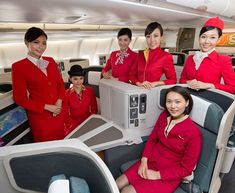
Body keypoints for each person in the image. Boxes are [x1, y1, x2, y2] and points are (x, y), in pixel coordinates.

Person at [116, 86, 202, 193]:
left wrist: (158, 175)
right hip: (150, 162)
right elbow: (152, 139)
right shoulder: (164, 116)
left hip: (168, 175)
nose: (173, 106)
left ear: (187, 103)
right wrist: (144, 160)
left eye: (177, 102)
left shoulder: (193, 133)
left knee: (126, 191)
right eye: (169, 101)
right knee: (117, 183)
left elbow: (186, 169)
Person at [11, 27, 65, 142]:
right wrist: (46, 107)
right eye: (36, 42)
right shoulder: (18, 67)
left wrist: (59, 101)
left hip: (58, 113)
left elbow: (60, 84)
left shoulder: (50, 61)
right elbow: (19, 98)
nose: (41, 46)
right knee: (45, 149)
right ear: (27, 43)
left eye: (44, 43)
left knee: (61, 144)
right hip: (41, 117)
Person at [179, 16, 235, 94]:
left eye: (212, 37)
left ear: (218, 40)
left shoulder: (224, 60)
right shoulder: (190, 58)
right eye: (203, 37)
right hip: (188, 98)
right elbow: (182, 80)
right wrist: (188, 82)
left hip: (208, 99)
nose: (206, 41)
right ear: (199, 38)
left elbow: (233, 88)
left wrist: (209, 85)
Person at [128, 22, 177, 89]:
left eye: (155, 36)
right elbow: (131, 76)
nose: (152, 40)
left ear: (161, 37)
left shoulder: (165, 56)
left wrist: (155, 83)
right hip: (137, 90)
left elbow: (173, 80)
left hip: (152, 91)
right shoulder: (139, 55)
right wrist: (139, 84)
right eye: (148, 36)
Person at [64, 65, 98, 135]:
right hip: (73, 125)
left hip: (88, 122)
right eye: (75, 79)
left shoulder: (90, 91)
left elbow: (94, 109)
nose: (79, 81)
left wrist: (89, 122)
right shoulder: (66, 94)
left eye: (81, 78)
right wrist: (76, 127)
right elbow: (65, 115)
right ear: (70, 79)